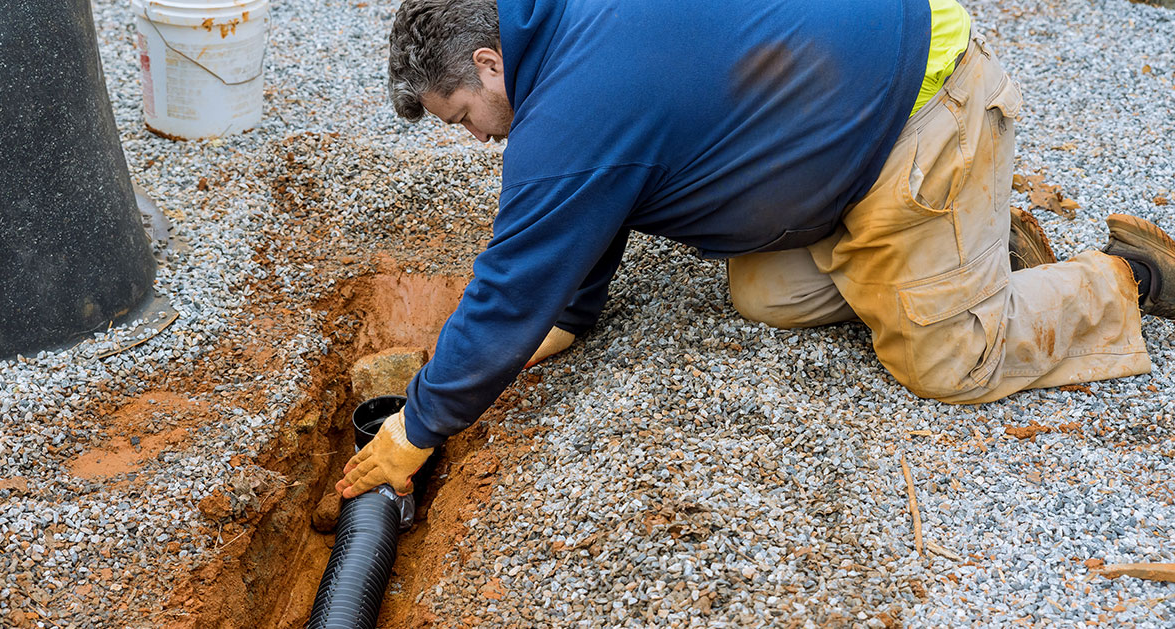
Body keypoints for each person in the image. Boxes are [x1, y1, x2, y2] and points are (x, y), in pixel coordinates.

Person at [336, 0, 1175, 499]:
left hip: (922, 105)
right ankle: (970, 249)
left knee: (949, 359)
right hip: (855, 120)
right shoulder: (563, 30)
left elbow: (510, 282)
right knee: (764, 295)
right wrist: (570, 313)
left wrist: (418, 427)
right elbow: (595, 196)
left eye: (462, 117)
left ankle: (1128, 275)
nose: (478, 138)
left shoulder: (568, 114)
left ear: (489, 64)